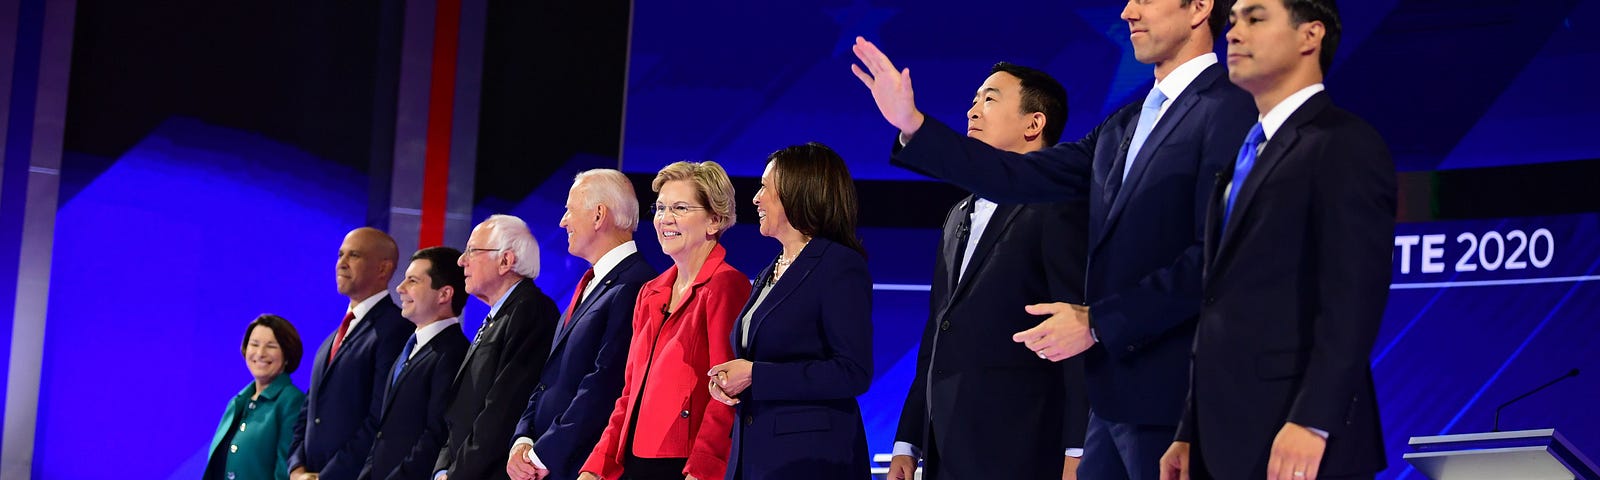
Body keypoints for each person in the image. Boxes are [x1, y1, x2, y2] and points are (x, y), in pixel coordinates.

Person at [848, 0, 1254, 475]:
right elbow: (1014, 177)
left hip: (1174, 401)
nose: (1127, 11)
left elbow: (1218, 260)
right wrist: (913, 126)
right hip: (1112, 408)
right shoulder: (1122, 125)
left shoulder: (1231, 108)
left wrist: (1098, 322)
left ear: (1199, 8)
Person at [1160, 1, 1391, 478]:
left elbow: (1353, 297)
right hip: (1221, 439)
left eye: (1255, 18)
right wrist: (1189, 428)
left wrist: (1315, 420)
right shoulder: (1242, 158)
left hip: (1297, 440)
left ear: (1310, 36)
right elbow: (1217, 304)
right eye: (1233, 21)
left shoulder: (1343, 143)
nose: (1233, 33)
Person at [885, 63, 1090, 480]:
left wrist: (1078, 449)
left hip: (1024, 451)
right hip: (946, 451)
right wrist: (909, 441)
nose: (973, 112)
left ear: (1034, 123)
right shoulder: (958, 214)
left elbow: (1077, 333)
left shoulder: (1057, 206)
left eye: (990, 99)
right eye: (973, 101)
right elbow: (937, 333)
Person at [706, 143, 873, 480]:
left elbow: (852, 371)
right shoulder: (771, 270)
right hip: (755, 458)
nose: (755, 199)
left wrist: (756, 374)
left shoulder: (839, 265)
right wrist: (731, 383)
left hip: (811, 461)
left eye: (765, 187)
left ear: (797, 191)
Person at [578, 161, 750, 480]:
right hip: (636, 460)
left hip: (683, 465)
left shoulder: (726, 285)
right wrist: (597, 465)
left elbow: (726, 392)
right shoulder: (650, 292)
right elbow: (631, 392)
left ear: (714, 220)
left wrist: (703, 468)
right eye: (660, 207)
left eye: (680, 208)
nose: (665, 219)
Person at [507, 169, 658, 480]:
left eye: (569, 210)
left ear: (599, 214)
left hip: (580, 467)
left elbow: (604, 383)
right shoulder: (589, 284)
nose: (563, 221)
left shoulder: (636, 285)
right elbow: (549, 378)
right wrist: (523, 438)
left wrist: (543, 453)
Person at [434, 215, 561, 480]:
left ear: (506, 261)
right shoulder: (500, 314)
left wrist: (457, 474)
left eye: (473, 250)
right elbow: (462, 409)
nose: (461, 260)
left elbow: (502, 410)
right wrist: (443, 469)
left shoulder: (530, 310)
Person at [291, 227, 413, 480]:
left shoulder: (394, 330)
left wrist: (328, 476)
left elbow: (380, 418)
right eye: (340, 255)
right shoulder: (331, 339)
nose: (341, 264)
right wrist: (296, 467)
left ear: (383, 268)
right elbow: (309, 409)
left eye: (354, 255)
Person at [358, 247, 470, 480]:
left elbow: (436, 434)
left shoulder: (453, 353)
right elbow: (384, 431)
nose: (400, 288)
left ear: (444, 294)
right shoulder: (409, 348)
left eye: (413, 281)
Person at [206, 314, 307, 480]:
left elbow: (285, 471)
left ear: (287, 354)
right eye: (254, 344)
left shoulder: (291, 401)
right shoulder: (238, 401)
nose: (260, 353)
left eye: (271, 346)